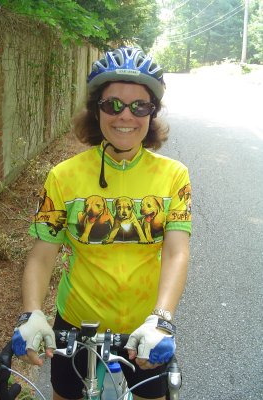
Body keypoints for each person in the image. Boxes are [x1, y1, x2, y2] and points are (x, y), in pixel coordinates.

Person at [12, 46, 191, 400]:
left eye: (139, 105)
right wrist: (32, 312)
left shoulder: (174, 176)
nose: (126, 115)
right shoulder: (64, 176)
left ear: (152, 113)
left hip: (145, 327)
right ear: (96, 110)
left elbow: (176, 253)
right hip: (77, 325)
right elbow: (42, 254)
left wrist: (163, 319)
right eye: (113, 104)